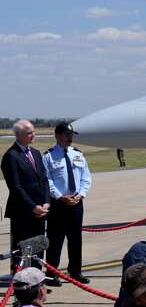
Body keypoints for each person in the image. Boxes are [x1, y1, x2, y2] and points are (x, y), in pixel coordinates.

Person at [42, 121, 92, 287]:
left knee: (75, 239)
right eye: (66, 134)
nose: (70, 138)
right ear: (58, 135)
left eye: (71, 135)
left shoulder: (78, 154)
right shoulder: (48, 156)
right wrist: (59, 196)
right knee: (55, 240)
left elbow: (86, 177)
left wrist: (81, 194)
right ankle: (52, 274)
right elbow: (46, 180)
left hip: (76, 203)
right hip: (59, 204)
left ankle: (75, 272)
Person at [1, 119, 49, 274]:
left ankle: (36, 280)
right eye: (29, 133)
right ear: (18, 135)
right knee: (22, 251)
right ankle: (22, 283)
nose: (33, 135)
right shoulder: (11, 156)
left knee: (38, 248)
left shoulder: (35, 153)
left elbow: (44, 179)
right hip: (23, 212)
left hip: (40, 211)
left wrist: (46, 203)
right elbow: (16, 187)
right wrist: (33, 206)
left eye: (34, 131)